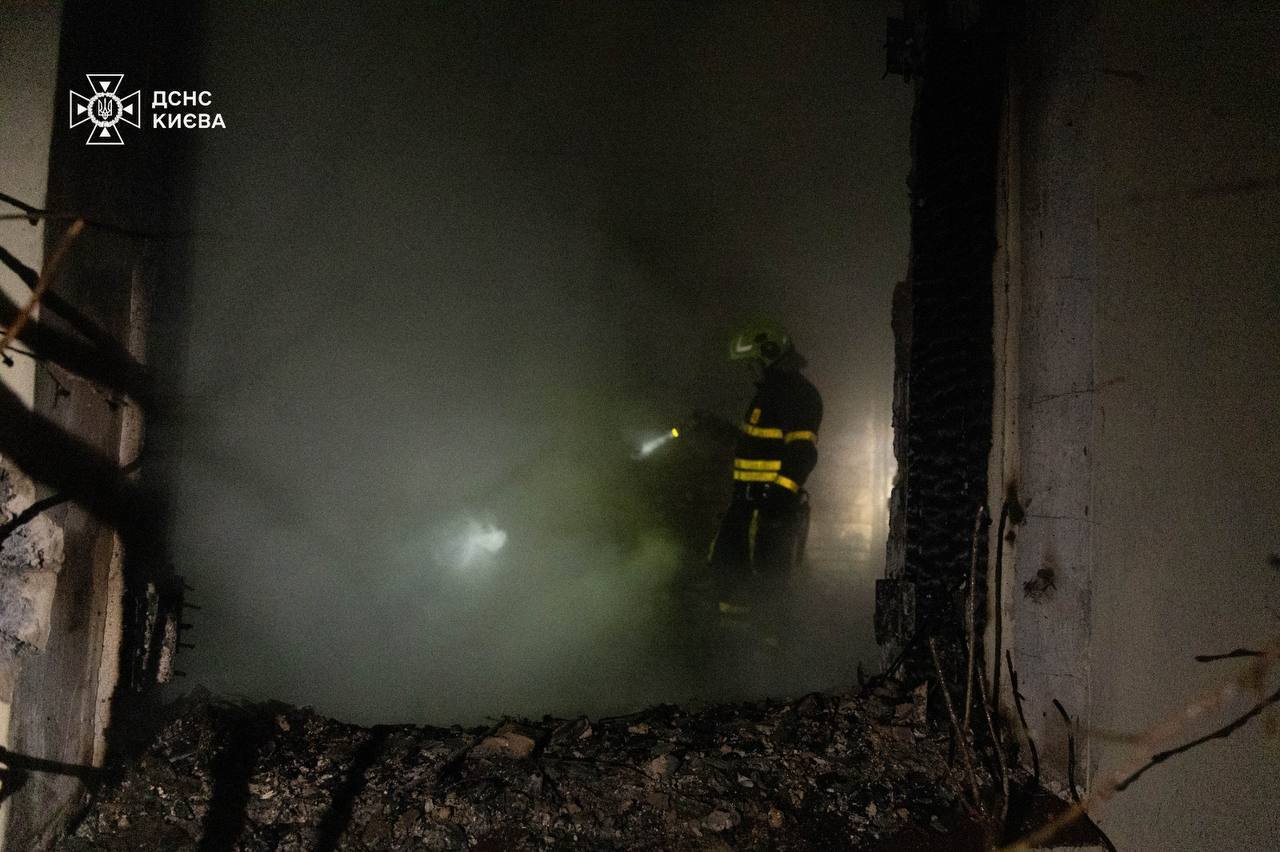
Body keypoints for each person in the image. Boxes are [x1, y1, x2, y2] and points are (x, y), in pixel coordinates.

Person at [708, 321, 823, 637]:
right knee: (729, 577)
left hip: (769, 514)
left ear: (769, 354)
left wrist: (779, 498)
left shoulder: (797, 395)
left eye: (753, 362)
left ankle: (766, 658)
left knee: (767, 588)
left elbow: (802, 454)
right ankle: (734, 651)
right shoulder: (770, 394)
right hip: (747, 509)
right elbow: (761, 445)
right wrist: (722, 432)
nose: (750, 370)